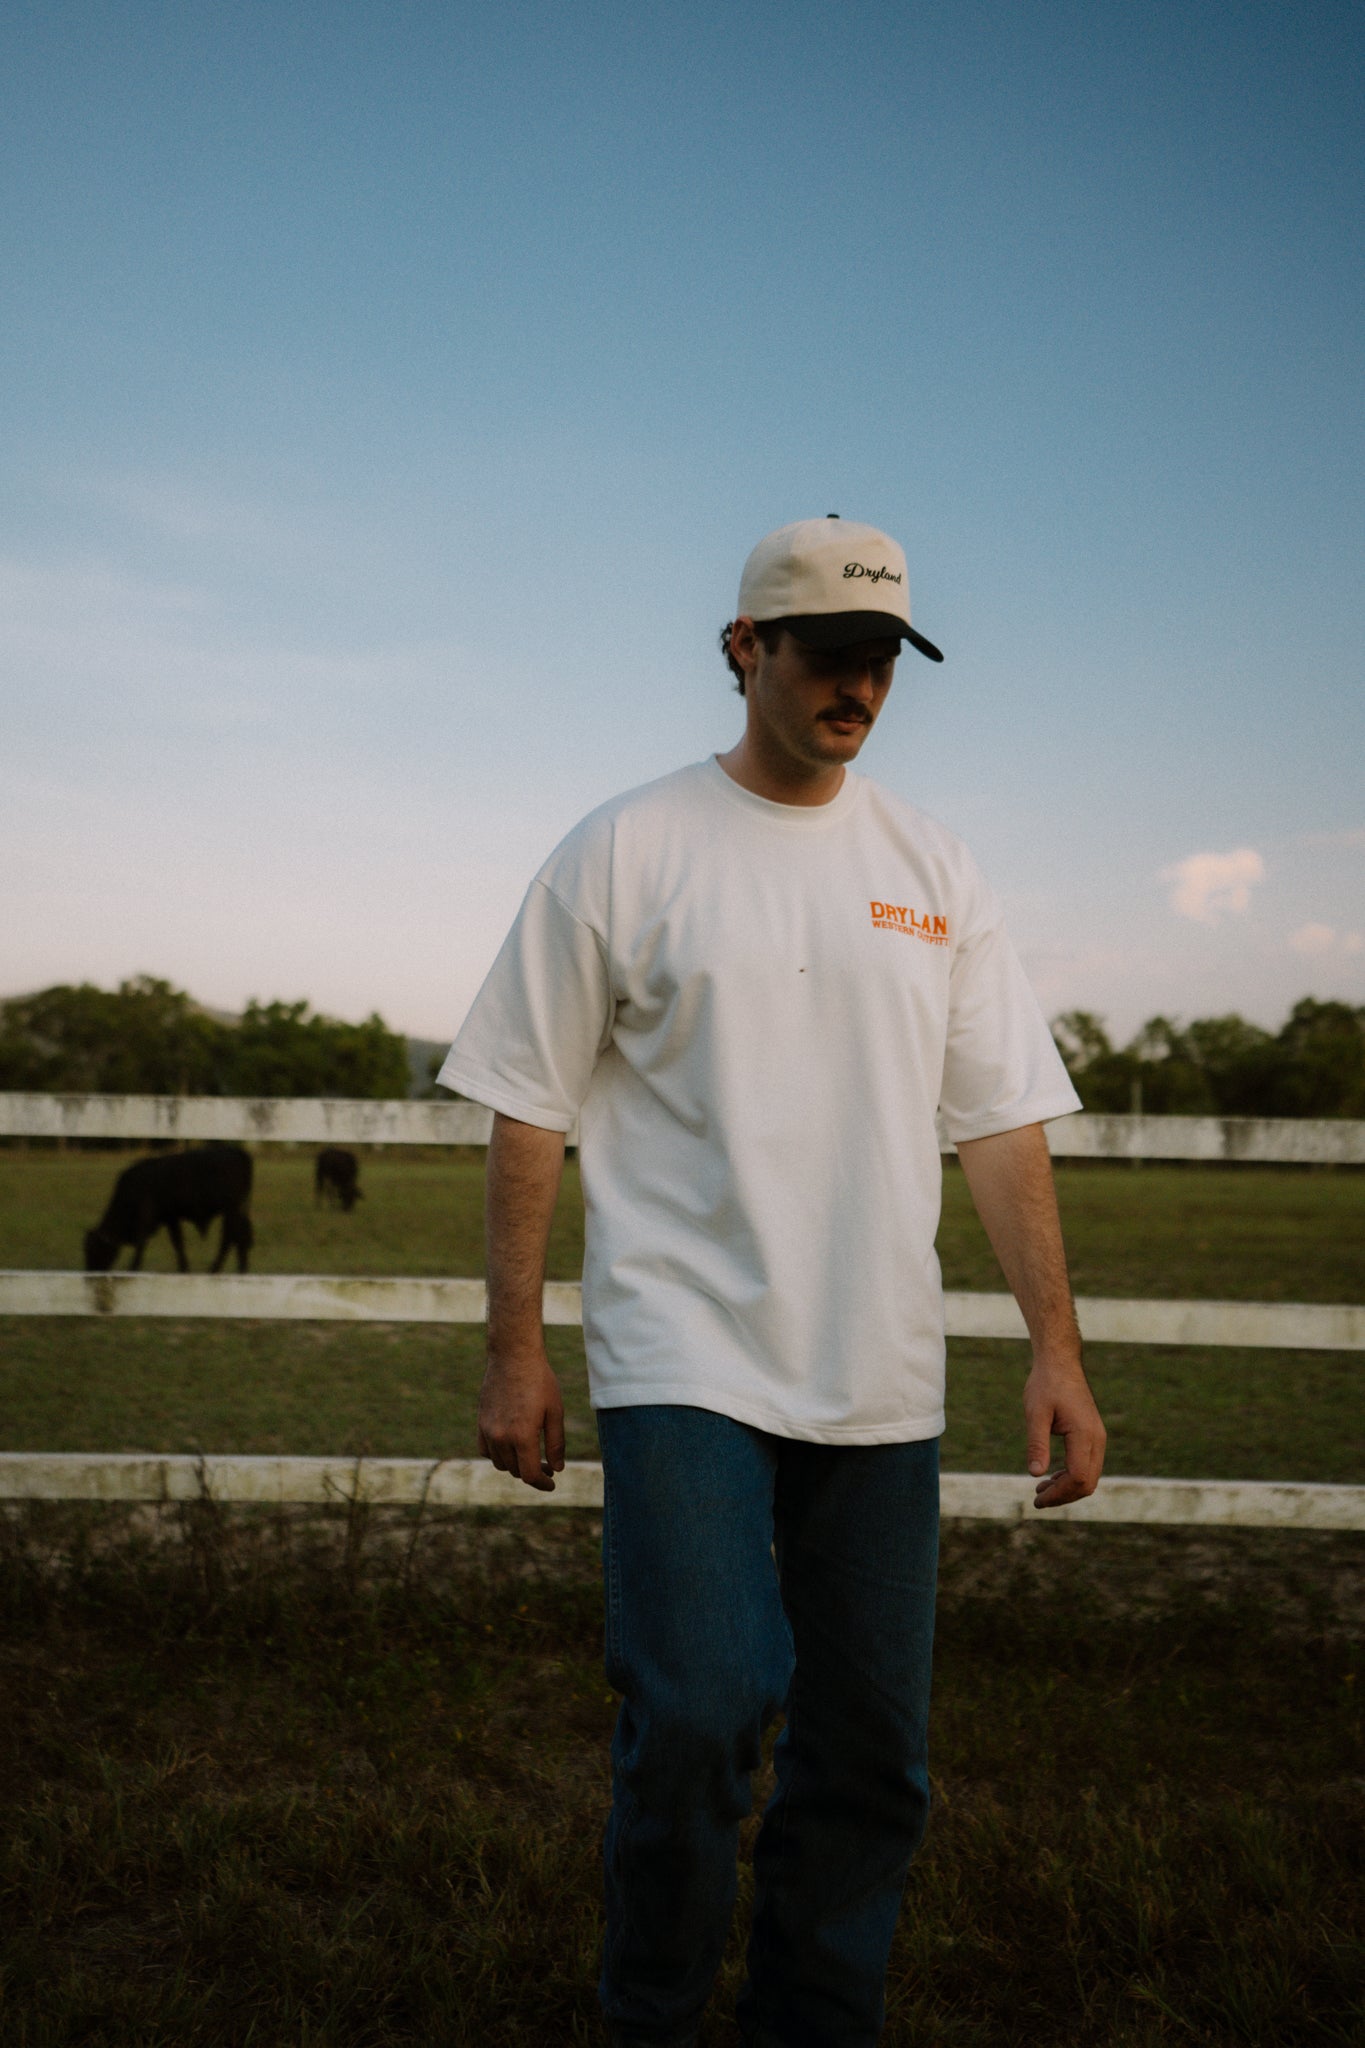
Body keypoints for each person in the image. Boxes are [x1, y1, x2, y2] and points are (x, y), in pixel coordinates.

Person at [438, 516, 1106, 2047]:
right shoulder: (626, 847)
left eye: (880, 661)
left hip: (877, 1367)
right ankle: (652, 2015)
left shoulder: (930, 864)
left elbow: (1000, 1121)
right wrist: (513, 1352)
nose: (855, 688)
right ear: (744, 649)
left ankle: (812, 2022)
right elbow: (527, 1105)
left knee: (872, 1753)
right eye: (824, 654)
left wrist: (1055, 1350)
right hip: (684, 1355)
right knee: (700, 1705)